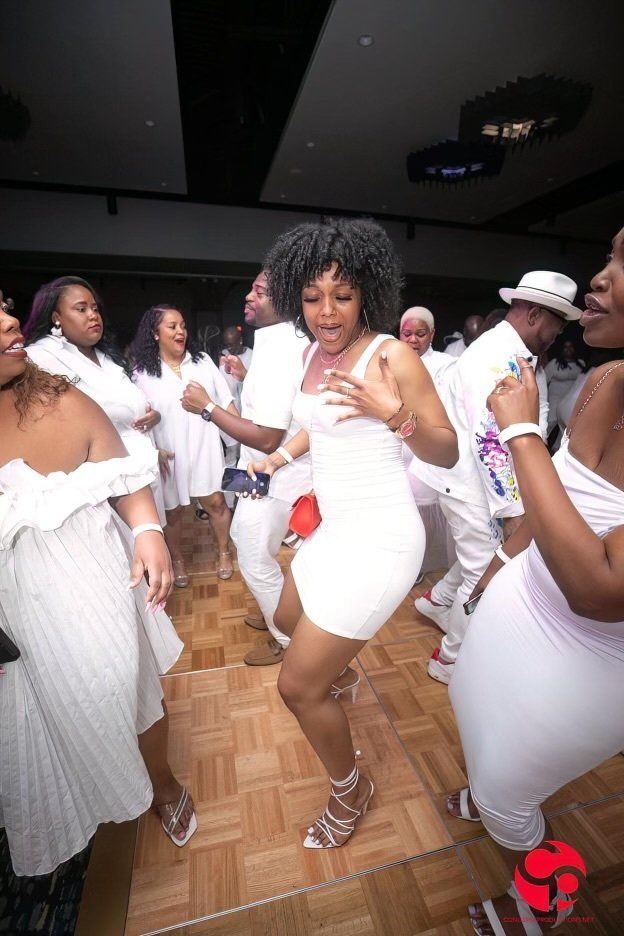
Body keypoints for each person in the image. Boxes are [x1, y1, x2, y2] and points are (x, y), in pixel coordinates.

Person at [246, 218, 458, 850]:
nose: (327, 312)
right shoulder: (314, 353)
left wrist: (393, 413)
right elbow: (320, 421)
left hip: (384, 536)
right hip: (334, 527)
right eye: (312, 297)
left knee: (297, 685)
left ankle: (350, 787)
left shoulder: (391, 354)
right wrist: (279, 458)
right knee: (286, 616)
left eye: (341, 295)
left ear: (367, 292)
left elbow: (446, 451)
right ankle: (341, 671)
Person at [445, 232, 624, 934]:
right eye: (605, 259)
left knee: (509, 789)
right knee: (472, 713)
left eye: (618, 267)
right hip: (524, 599)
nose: (598, 282)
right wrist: (498, 570)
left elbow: (602, 593)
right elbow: (559, 500)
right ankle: (489, 795)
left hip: (587, 652)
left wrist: (520, 434)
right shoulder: (609, 382)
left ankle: (541, 908)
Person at [0, 298, 196, 876]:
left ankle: (159, 783)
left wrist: (148, 530)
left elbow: (119, 474)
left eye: (6, 311)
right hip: (13, 599)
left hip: (89, 570)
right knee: (39, 707)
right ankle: (74, 801)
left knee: (121, 679)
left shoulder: (59, 395)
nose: (11, 324)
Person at [411, 271, 579, 683]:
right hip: (471, 483)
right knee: (487, 571)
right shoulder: (497, 358)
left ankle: (438, 600)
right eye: (558, 324)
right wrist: (514, 513)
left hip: (470, 481)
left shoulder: (510, 350)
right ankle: (448, 659)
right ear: (538, 315)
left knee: (481, 559)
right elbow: (491, 444)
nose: (558, 334)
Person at [23, 276, 182, 673]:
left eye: (95, 307)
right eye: (81, 308)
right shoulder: (41, 358)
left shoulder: (105, 358)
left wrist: (152, 418)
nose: (93, 315)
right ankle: (127, 650)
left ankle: (150, 638)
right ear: (55, 317)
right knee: (121, 571)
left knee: (148, 554)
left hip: (137, 468)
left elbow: (132, 406)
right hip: (98, 481)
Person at [181, 272, 311, 665]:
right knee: (255, 546)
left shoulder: (281, 348)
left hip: (277, 472)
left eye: (260, 292)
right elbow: (283, 402)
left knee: (255, 556)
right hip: (272, 471)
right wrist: (248, 377)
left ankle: (290, 640)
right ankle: (280, 613)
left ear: (285, 300)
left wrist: (207, 407)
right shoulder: (281, 343)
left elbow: (268, 437)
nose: (249, 297)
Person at [132, 304, 237, 585]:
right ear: (155, 333)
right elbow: (136, 418)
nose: (181, 331)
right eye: (172, 326)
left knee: (215, 502)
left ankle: (224, 551)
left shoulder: (202, 362)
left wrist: (240, 434)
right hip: (169, 453)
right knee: (173, 512)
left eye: (183, 326)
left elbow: (225, 399)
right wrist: (151, 448)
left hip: (204, 445)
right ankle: (177, 559)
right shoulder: (143, 373)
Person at [399, 306, 457, 583]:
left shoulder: (446, 365)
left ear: (432, 334)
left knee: (421, 506)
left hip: (425, 444)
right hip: (394, 445)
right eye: (406, 333)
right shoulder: (389, 359)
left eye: (420, 334)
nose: (412, 340)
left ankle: (418, 564)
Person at [216, 325, 254, 510]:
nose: (229, 349)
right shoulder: (222, 359)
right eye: (226, 345)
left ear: (240, 340)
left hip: (252, 418)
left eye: (232, 345)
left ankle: (245, 497)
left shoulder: (253, 356)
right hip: (230, 420)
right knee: (231, 460)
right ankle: (231, 504)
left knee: (247, 458)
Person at [544, 338, 586, 438]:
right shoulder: (554, 363)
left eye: (570, 347)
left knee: (567, 424)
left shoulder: (580, 364)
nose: (568, 349)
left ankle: (559, 447)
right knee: (551, 422)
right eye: (565, 347)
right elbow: (544, 381)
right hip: (555, 399)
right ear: (562, 349)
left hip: (571, 400)